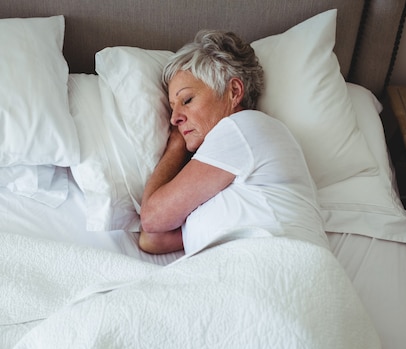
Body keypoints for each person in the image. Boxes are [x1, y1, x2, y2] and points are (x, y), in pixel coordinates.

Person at [138, 30, 328, 255]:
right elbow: (151, 239)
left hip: (278, 260)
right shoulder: (222, 175)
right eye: (172, 107)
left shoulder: (243, 128)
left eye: (187, 100)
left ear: (234, 91)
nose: (174, 118)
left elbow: (153, 217)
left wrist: (175, 145)